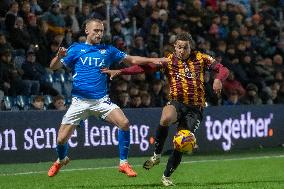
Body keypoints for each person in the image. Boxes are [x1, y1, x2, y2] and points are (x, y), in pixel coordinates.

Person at [102, 33, 229, 186]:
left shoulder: (201, 58)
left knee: (181, 143)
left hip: (195, 108)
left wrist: (218, 79)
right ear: (175, 47)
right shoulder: (169, 60)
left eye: (185, 47)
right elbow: (144, 68)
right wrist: (121, 71)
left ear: (191, 47)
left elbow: (223, 69)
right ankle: (156, 155)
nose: (182, 51)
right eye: (179, 47)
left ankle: (166, 176)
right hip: (176, 102)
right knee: (165, 118)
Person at [47, 18, 168, 178]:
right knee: (61, 140)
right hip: (79, 102)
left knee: (124, 123)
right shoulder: (76, 49)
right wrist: (58, 56)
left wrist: (154, 60)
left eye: (101, 31)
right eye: (96, 30)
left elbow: (131, 59)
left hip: (101, 100)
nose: (99, 33)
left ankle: (123, 163)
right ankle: (61, 159)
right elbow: (53, 66)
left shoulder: (108, 50)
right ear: (87, 31)